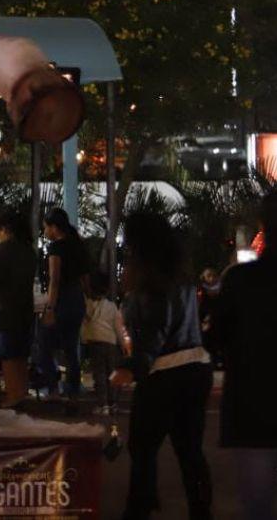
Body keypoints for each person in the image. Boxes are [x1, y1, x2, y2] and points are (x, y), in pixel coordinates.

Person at [110, 210, 212, 520]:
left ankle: (140, 507)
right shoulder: (179, 273)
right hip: (196, 369)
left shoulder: (152, 281)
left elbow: (154, 332)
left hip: (163, 374)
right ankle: (200, 511)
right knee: (190, 451)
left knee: (143, 447)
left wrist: (131, 367)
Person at [208, 189, 277, 519]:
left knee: (258, 506)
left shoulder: (240, 280)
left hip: (252, 407)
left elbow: (216, 340)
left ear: (263, 226)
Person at [0, 209, 36, 409]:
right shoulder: (28, 250)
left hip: (5, 309)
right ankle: (21, 393)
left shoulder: (3, 251)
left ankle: (12, 396)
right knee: (20, 355)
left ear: (4, 229)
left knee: (8, 355)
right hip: (24, 308)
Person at [35, 207, 89, 404]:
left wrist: (50, 308)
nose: (45, 231)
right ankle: (72, 392)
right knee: (70, 349)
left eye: (46, 227)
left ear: (54, 227)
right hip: (77, 300)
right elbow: (85, 278)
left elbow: (54, 280)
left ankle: (53, 386)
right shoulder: (78, 245)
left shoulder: (56, 248)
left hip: (62, 300)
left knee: (43, 345)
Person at [82, 269, 128, 415]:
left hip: (95, 343)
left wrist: (83, 340)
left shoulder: (86, 306)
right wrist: (123, 345)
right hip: (111, 343)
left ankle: (103, 405)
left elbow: (83, 327)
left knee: (99, 375)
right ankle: (113, 403)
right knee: (112, 374)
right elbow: (118, 327)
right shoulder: (112, 307)